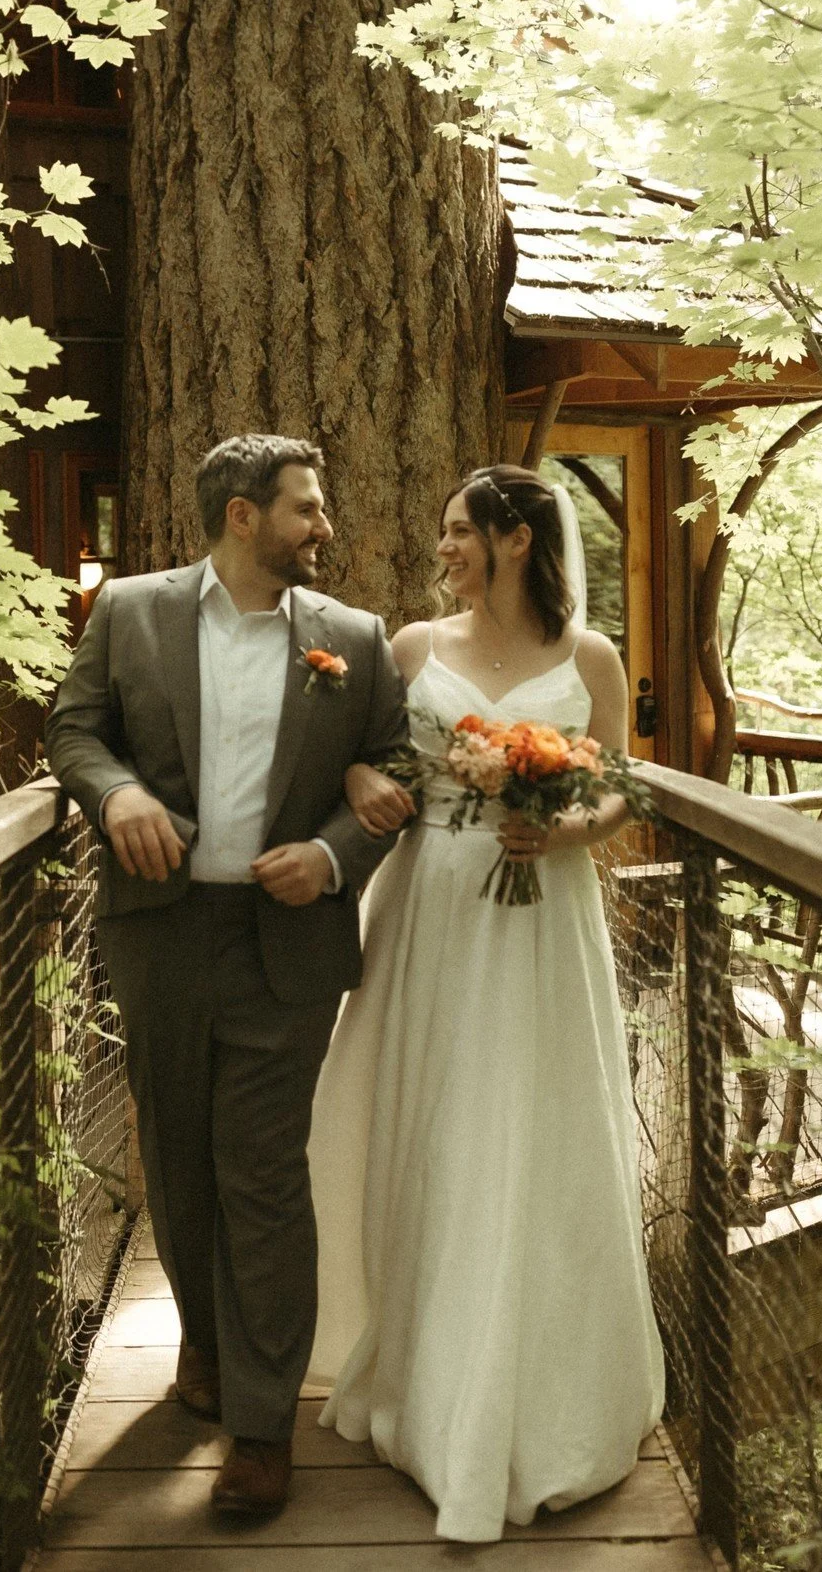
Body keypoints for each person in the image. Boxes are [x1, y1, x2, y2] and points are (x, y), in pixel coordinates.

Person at [44, 434, 407, 1518]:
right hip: (159, 933)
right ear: (242, 517)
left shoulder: (355, 637)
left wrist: (337, 852)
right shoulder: (132, 612)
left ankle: (260, 1425)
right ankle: (202, 1342)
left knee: (261, 1173)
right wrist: (113, 797)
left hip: (284, 946)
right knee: (179, 1159)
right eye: (305, 508)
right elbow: (73, 727)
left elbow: (393, 764)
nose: (323, 526)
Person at [307, 462, 665, 1543]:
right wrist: (371, 785)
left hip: (544, 912)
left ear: (515, 538)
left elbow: (618, 780)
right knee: (441, 1129)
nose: (446, 549)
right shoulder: (413, 650)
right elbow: (362, 761)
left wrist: (568, 828)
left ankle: (543, 1397)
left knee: (536, 1132)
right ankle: (427, 1380)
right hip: (437, 909)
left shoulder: (588, 657)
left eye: (461, 531)